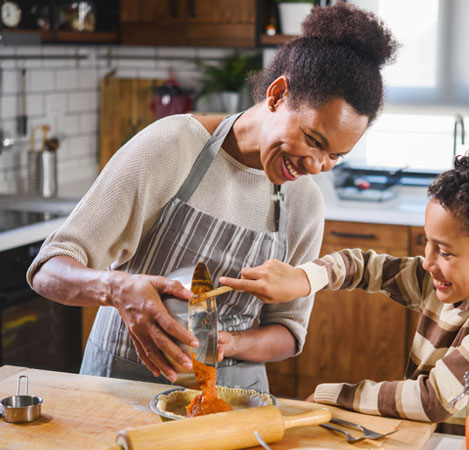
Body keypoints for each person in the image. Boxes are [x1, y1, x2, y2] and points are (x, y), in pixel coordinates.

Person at [26, 3, 398, 391]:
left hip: (233, 396)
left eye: (335, 156)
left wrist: (232, 343)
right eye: (313, 140)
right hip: (122, 386)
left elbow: (288, 331)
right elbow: (48, 269)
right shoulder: (174, 146)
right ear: (277, 95)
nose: (318, 165)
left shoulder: (305, 203)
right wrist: (116, 288)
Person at [220, 146, 469, 420]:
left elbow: (434, 399)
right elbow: (363, 266)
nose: (427, 262)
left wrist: (335, 396)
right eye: (428, 244)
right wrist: (304, 279)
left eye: (444, 252)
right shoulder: (451, 279)